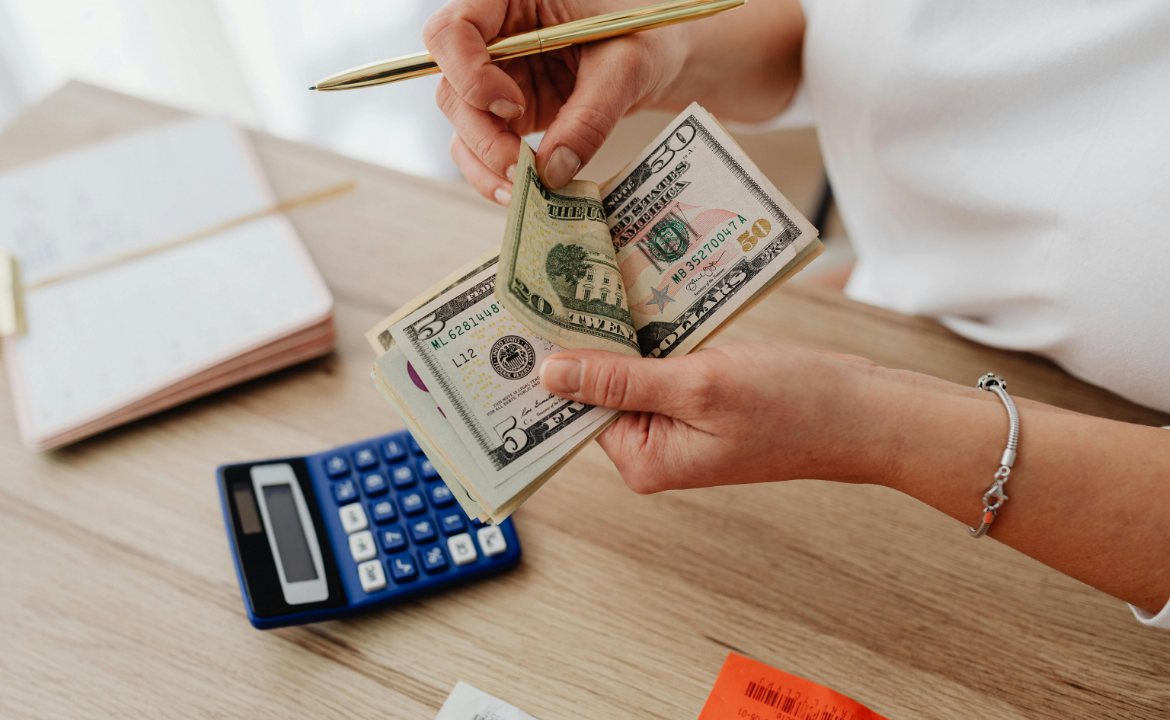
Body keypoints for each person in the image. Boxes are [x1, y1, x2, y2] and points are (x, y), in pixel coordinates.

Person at [420, 0, 1170, 626]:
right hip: (896, 319)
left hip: (1077, 517)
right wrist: (662, 39)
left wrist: (870, 424)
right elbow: (838, 34)